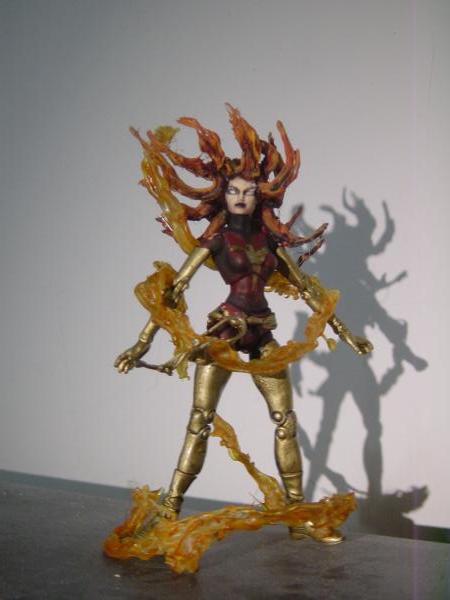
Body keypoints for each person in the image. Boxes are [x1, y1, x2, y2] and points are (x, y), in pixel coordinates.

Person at [114, 105, 372, 544]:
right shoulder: (216, 240)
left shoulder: (269, 242)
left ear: (258, 198)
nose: (239, 197)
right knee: (200, 420)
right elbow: (173, 291)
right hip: (224, 333)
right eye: (233, 190)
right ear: (223, 195)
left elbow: (308, 289)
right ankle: (169, 509)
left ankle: (296, 515)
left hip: (262, 334)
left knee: (285, 420)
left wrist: (347, 334)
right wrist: (141, 343)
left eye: (248, 192)